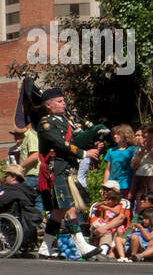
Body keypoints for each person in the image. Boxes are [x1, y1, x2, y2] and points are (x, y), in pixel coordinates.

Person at [34, 88, 102, 260]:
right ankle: (82, 246)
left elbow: (77, 140)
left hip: (67, 169)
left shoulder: (67, 122)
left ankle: (45, 247)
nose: (64, 103)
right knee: (70, 207)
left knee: (58, 212)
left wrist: (93, 142)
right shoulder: (45, 123)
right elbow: (60, 144)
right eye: (59, 101)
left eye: (64, 101)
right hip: (55, 170)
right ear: (48, 105)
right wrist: (84, 154)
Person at [0, 165, 40, 252]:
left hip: (10, 221)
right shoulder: (28, 191)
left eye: (7, 176)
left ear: (13, 177)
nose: (5, 178)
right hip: (25, 221)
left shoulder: (11, 190)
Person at [89, 180, 131, 259]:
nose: (104, 192)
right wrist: (101, 229)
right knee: (105, 231)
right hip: (100, 233)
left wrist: (105, 227)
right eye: (103, 189)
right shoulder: (96, 205)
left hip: (118, 232)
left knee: (118, 230)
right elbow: (93, 224)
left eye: (107, 190)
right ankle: (103, 252)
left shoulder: (124, 203)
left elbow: (121, 218)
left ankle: (112, 251)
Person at [130, 125, 153, 202]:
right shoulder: (138, 148)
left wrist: (149, 149)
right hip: (140, 177)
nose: (143, 136)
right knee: (139, 200)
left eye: (145, 133)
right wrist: (142, 151)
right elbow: (133, 165)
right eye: (142, 133)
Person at [101, 124, 136, 198]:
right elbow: (108, 169)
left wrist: (133, 188)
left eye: (117, 134)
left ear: (125, 135)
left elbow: (135, 170)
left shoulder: (132, 150)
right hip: (112, 185)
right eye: (114, 134)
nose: (115, 136)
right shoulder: (111, 151)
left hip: (125, 184)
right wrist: (104, 186)